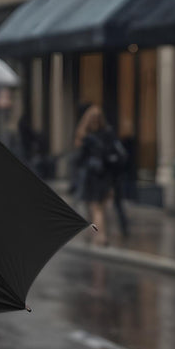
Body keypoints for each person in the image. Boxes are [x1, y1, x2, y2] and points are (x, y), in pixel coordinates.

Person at [74, 105, 114, 247]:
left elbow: (79, 159)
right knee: (101, 208)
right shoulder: (107, 133)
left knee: (95, 209)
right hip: (105, 176)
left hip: (91, 177)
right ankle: (98, 235)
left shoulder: (86, 137)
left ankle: (99, 236)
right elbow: (111, 155)